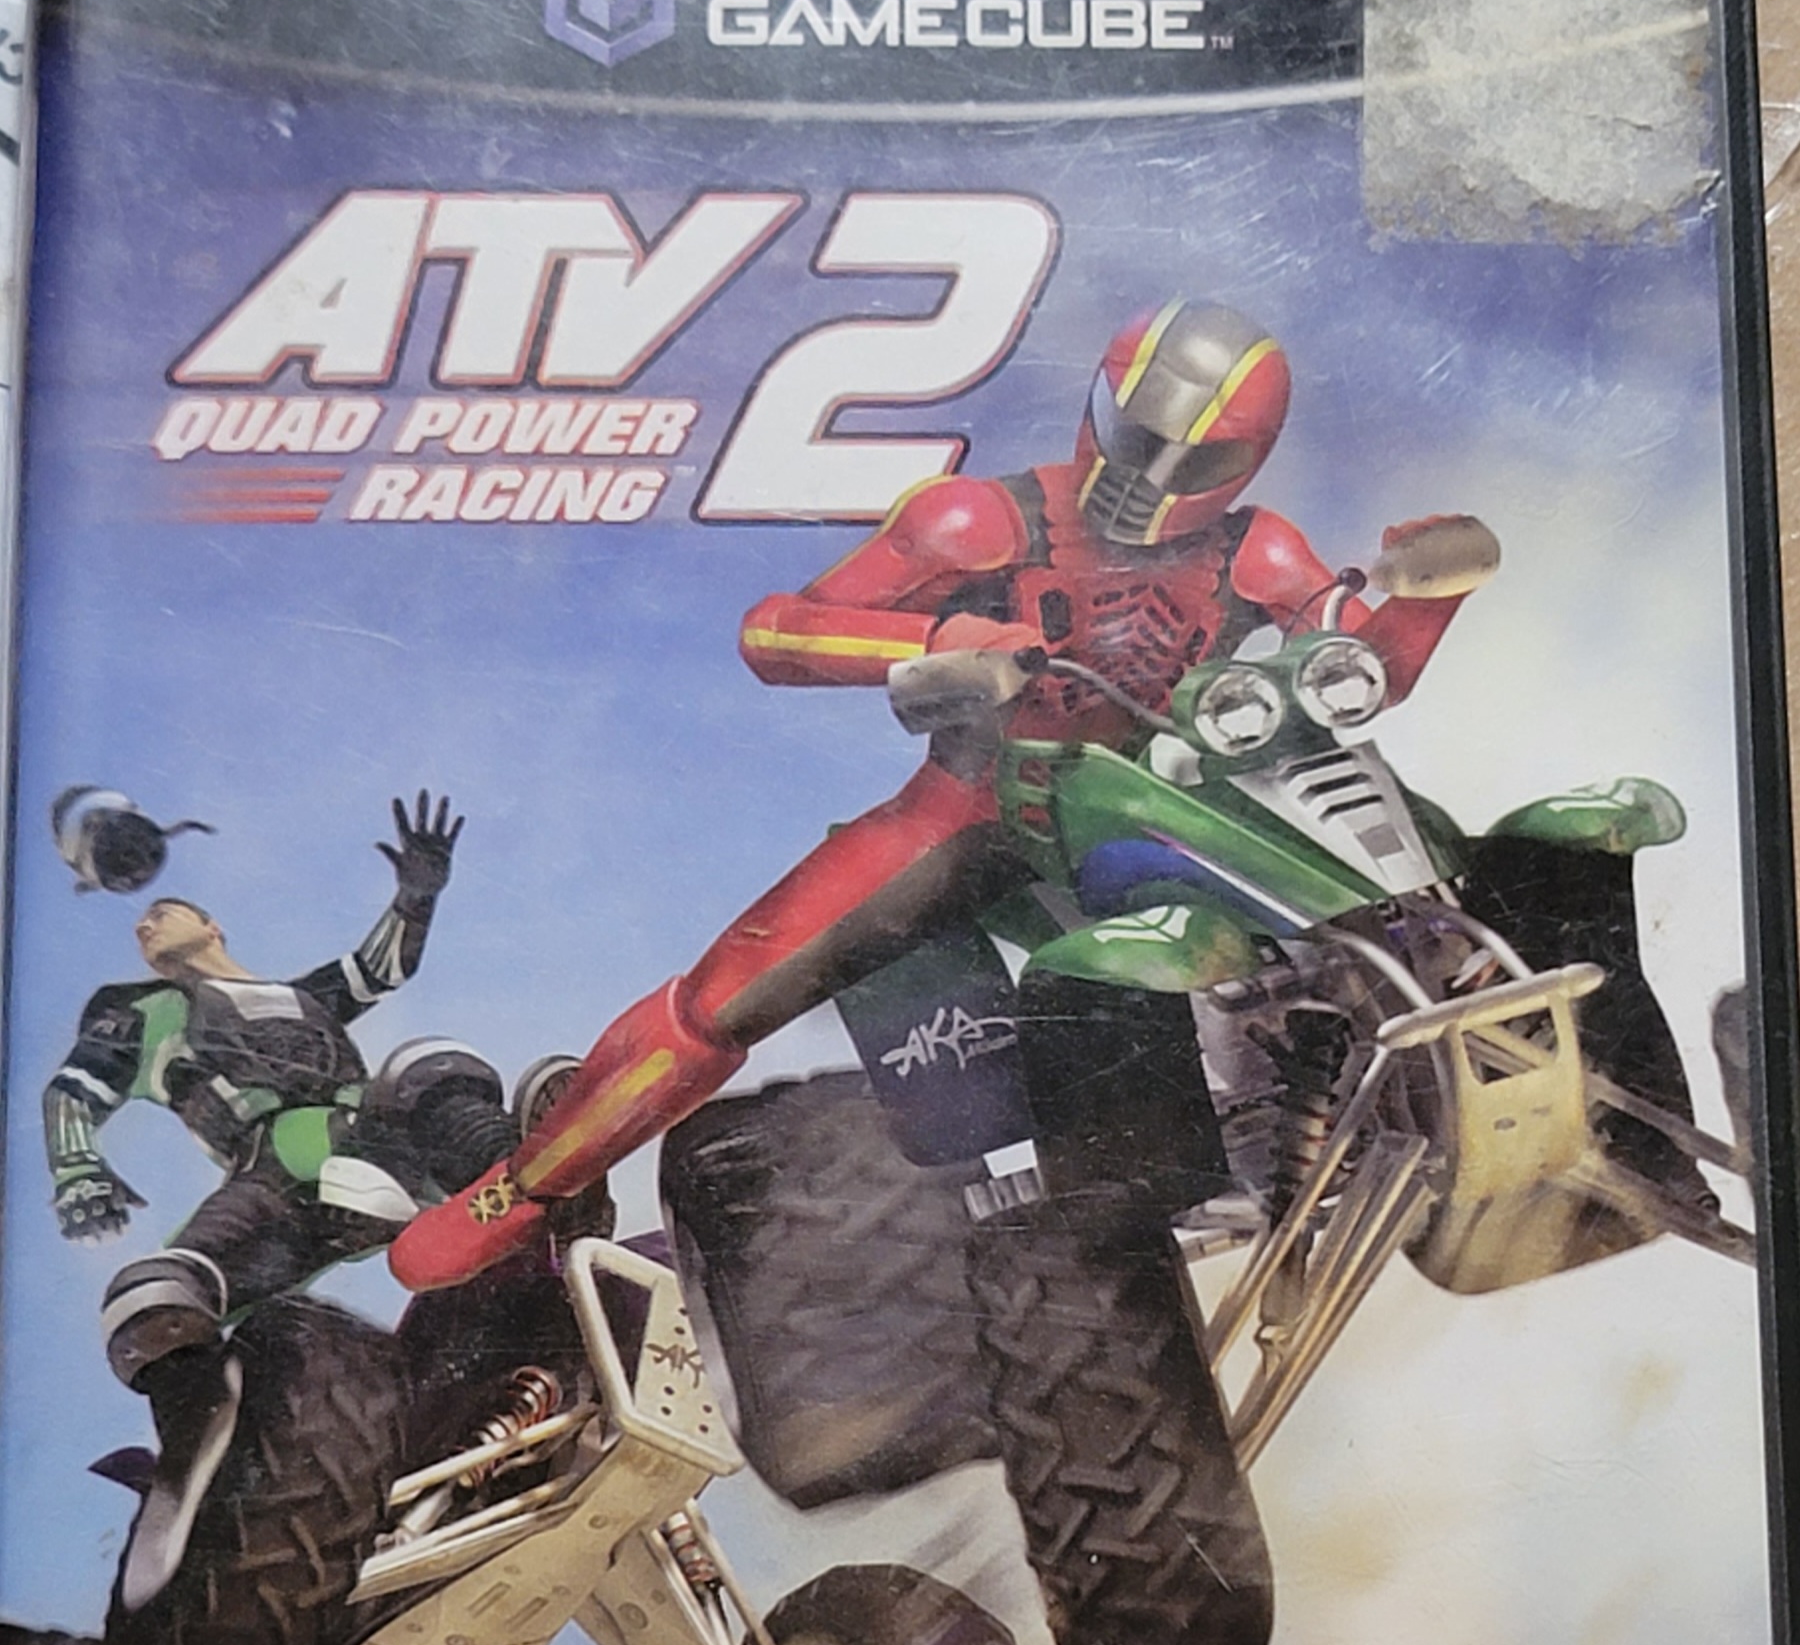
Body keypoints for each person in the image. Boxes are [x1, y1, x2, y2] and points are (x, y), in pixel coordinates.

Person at [392, 299, 1499, 1293]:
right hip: (979, 808)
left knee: (1362, 890)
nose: (1148, 477)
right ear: (1099, 407)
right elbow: (777, 631)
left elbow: (1349, 667)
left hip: (1163, 802)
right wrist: (944, 638)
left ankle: (1399, 1074)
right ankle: (523, 1188)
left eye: (1190, 458)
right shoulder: (980, 523)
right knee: (724, 997)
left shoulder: (1256, 552)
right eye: (1133, 439)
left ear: (1245, 460)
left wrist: (1424, 601)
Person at [45, 792, 513, 1395]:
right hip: (270, 1184)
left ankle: (516, 1170)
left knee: (429, 1070)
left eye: (161, 912)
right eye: (143, 925)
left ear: (212, 927)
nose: (144, 925)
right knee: (154, 1297)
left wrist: (417, 896)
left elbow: (378, 970)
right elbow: (74, 1089)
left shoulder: (305, 1000)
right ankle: (213, 1422)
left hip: (371, 1142)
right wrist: (78, 1169)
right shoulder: (147, 1013)